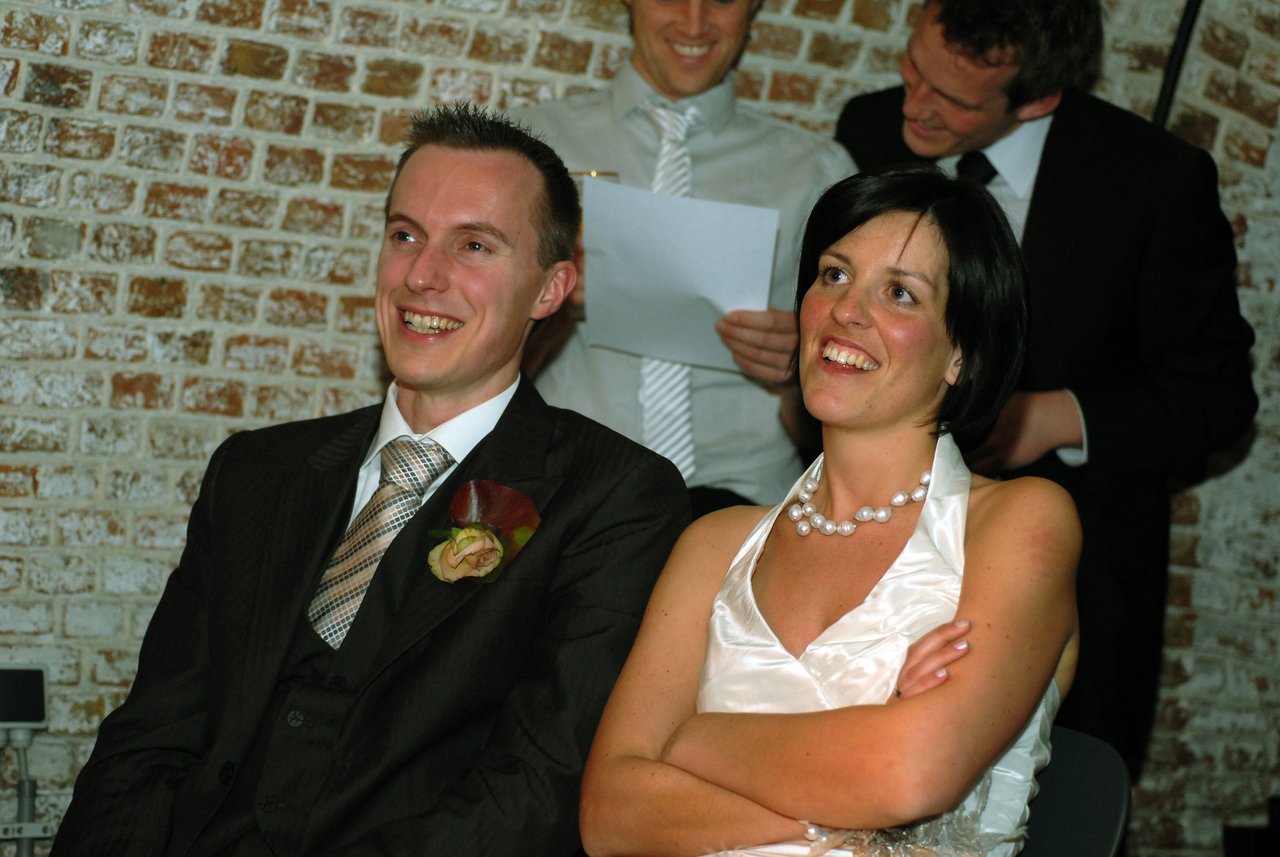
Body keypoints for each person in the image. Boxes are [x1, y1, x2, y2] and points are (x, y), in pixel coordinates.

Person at [51, 104, 690, 857]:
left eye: (474, 245)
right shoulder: (256, 472)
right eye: (405, 235)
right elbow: (151, 739)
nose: (423, 275)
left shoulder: (613, 497)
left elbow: (534, 788)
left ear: (550, 290)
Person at [578, 166, 1081, 857]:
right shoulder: (713, 542)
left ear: (961, 353)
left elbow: (911, 773)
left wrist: (696, 739)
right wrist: (844, 803)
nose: (847, 310)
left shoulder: (1021, 521)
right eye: (834, 275)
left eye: (899, 293)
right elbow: (610, 813)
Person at [834, 0, 1258, 776]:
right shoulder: (864, 130)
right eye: (912, 68)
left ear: (1038, 99)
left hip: (1077, 585)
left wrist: (1060, 416)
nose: (913, 108)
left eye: (954, 100)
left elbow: (1220, 398)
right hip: (875, 561)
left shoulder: (1152, 179)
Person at [511, 0, 855, 517]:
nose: (694, 23)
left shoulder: (815, 171)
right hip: (567, 486)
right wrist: (547, 303)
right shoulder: (531, 149)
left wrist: (804, 363)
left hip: (748, 500)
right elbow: (472, 357)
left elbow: (859, 411)